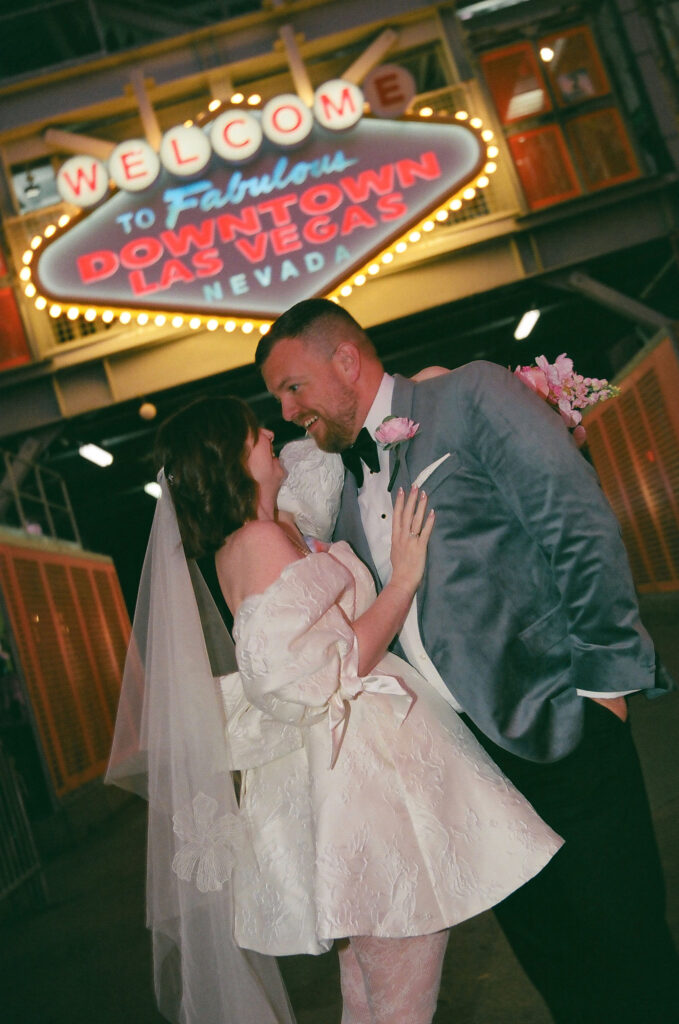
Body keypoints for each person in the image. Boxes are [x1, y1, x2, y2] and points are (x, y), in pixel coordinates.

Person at [257, 297, 679, 1024]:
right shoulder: (351, 490)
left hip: (564, 727)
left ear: (345, 361)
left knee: (630, 952)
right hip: (474, 775)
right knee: (558, 963)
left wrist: (603, 689)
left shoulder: (471, 393)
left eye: (293, 387)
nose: (289, 410)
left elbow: (574, 523)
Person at [108, 394, 562, 1024]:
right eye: (252, 434)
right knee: (403, 970)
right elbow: (331, 670)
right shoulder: (260, 540)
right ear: (230, 459)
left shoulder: (281, 520)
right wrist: (404, 579)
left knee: (372, 985)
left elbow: (319, 457)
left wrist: (420, 394)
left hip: (364, 763)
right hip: (360, 772)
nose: (270, 431)